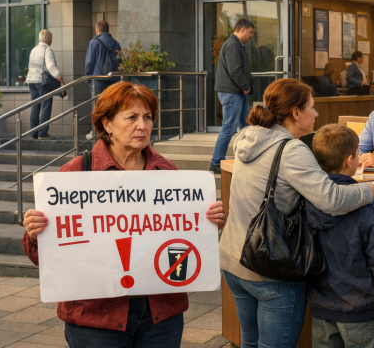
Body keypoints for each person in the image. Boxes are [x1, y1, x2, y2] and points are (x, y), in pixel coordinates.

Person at [22, 82, 225, 347]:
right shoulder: (77, 173)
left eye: (148, 117)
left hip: (160, 316)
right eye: (132, 117)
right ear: (107, 124)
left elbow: (185, 239)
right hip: (97, 319)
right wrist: (36, 233)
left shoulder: (168, 173)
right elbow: (45, 257)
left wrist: (208, 223)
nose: (142, 125)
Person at [219, 78, 374, 348]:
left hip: (234, 259)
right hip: (269, 267)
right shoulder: (291, 149)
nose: (316, 114)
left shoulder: (248, 137)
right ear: (296, 113)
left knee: (249, 343)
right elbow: (331, 199)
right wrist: (369, 190)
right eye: (312, 107)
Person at [306, 124, 374, 348]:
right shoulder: (368, 205)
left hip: (321, 307)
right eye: (358, 153)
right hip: (362, 310)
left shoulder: (308, 200)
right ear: (349, 161)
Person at [209, 18, 255, 174]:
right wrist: (245, 86)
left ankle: (246, 158)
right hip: (232, 93)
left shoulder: (236, 45)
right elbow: (234, 70)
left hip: (236, 93)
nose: (251, 35)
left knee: (246, 127)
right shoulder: (232, 45)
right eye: (250, 32)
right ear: (242, 30)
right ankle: (216, 162)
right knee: (229, 128)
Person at [85, 21, 122, 140]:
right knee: (112, 106)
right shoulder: (116, 43)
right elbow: (120, 62)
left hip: (98, 78)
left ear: (97, 31)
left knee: (97, 106)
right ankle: (112, 131)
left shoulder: (94, 42)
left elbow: (89, 62)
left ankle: (96, 132)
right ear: (108, 30)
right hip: (114, 79)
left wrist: (88, 77)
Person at [25, 30, 65, 140]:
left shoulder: (33, 50)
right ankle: (42, 134)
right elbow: (50, 66)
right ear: (50, 40)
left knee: (35, 106)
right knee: (45, 106)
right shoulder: (47, 49)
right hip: (42, 82)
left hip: (31, 80)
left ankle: (34, 134)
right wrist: (60, 79)